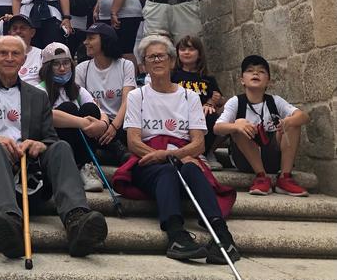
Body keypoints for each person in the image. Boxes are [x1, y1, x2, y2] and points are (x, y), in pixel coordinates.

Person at [0, 34, 108, 259]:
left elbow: (50, 138)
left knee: (62, 147)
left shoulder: (37, 95)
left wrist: (39, 144)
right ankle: (10, 222)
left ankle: (77, 220)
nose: (9, 58)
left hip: (30, 165)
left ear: (24, 59)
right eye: (3, 53)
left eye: (15, 53)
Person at [118, 34, 239, 263]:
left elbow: (199, 143)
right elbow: (133, 141)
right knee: (166, 171)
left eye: (161, 56)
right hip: (149, 160)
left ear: (172, 61)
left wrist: (177, 155)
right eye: (150, 57)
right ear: (143, 65)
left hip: (184, 157)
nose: (156, 61)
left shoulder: (190, 96)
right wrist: (165, 157)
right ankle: (176, 234)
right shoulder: (137, 96)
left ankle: (222, 235)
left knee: (193, 170)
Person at [214, 55, 310, 197]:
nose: (255, 73)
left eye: (261, 71)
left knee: (293, 122)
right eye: (250, 70)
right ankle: (261, 176)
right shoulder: (236, 102)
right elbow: (217, 127)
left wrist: (288, 122)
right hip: (245, 160)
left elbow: (304, 116)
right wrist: (236, 126)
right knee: (240, 125)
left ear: (268, 81)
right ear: (242, 80)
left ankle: (285, 178)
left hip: (272, 158)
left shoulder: (275, 101)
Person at [36, 42, 108, 192]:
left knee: (90, 108)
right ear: (47, 68)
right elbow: (50, 115)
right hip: (54, 142)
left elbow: (100, 112)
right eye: (56, 64)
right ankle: (68, 168)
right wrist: (82, 123)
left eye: (66, 63)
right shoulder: (39, 91)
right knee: (69, 108)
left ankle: (86, 166)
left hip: (80, 140)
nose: (62, 69)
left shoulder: (78, 90)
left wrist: (103, 124)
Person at [76, 23, 133, 164]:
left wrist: (113, 127)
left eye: (91, 38)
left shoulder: (125, 65)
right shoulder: (82, 68)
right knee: (87, 111)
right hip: (97, 122)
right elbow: (80, 102)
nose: (85, 42)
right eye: (86, 38)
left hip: (120, 123)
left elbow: (127, 100)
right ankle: (117, 152)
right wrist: (103, 123)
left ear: (105, 40)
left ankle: (104, 154)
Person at [173, 36, 224, 170]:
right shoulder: (173, 75)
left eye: (191, 49)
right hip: (179, 114)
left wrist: (212, 102)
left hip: (203, 116)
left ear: (199, 53)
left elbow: (219, 99)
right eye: (182, 49)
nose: (186, 52)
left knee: (214, 116)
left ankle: (206, 152)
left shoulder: (207, 78)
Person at [0, 14, 43, 85]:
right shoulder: (1, 55)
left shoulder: (42, 54)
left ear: (32, 33)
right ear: (9, 33)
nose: (18, 31)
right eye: (14, 28)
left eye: (23, 28)